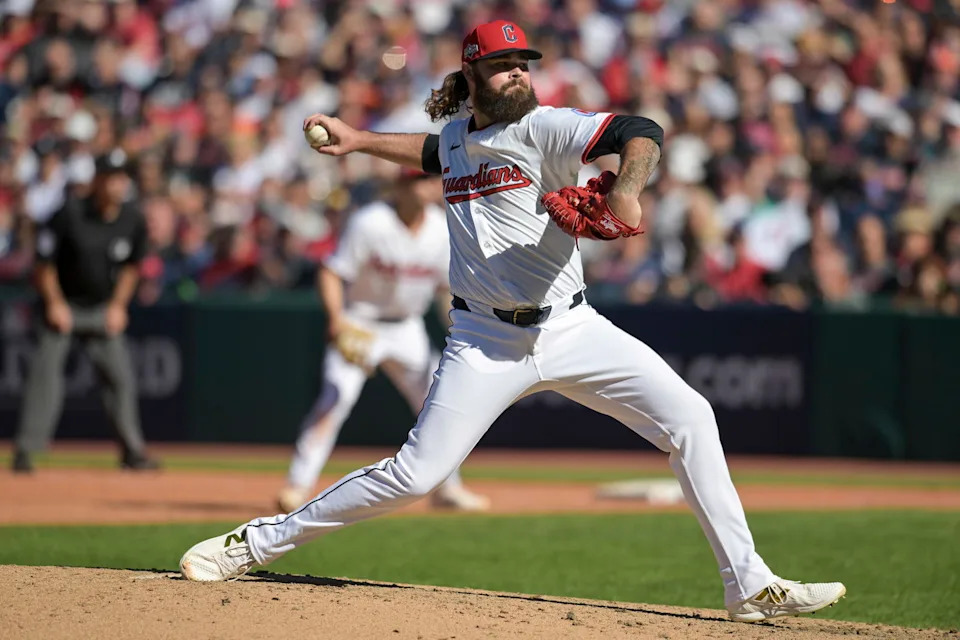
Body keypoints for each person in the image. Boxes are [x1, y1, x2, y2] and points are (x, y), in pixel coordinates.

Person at [179, 21, 845, 623]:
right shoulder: (460, 138)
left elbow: (639, 131)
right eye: (501, 64)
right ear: (472, 77)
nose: (517, 71)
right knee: (418, 474)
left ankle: (749, 585)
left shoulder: (544, 126)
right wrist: (357, 141)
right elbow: (431, 151)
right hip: (483, 340)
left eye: (522, 61)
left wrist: (628, 188)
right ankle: (253, 542)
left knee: (692, 416)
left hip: (572, 328)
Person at [276, 169, 489, 513]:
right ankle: (297, 486)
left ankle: (448, 487)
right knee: (336, 397)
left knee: (438, 403)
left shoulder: (440, 227)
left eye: (433, 179)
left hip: (407, 329)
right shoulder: (371, 222)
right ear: (401, 187)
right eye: (420, 179)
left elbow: (444, 289)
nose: (430, 185)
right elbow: (331, 271)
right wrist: (336, 320)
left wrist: (461, 328)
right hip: (360, 323)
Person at [12, 149, 159, 473]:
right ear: (98, 180)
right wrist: (54, 303)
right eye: (112, 177)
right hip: (63, 306)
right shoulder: (70, 212)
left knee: (120, 378)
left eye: (123, 178)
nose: (118, 184)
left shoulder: (131, 218)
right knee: (45, 377)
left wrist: (119, 306)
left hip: (101, 308)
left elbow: (132, 268)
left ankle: (132, 452)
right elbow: (44, 264)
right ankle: (25, 451)